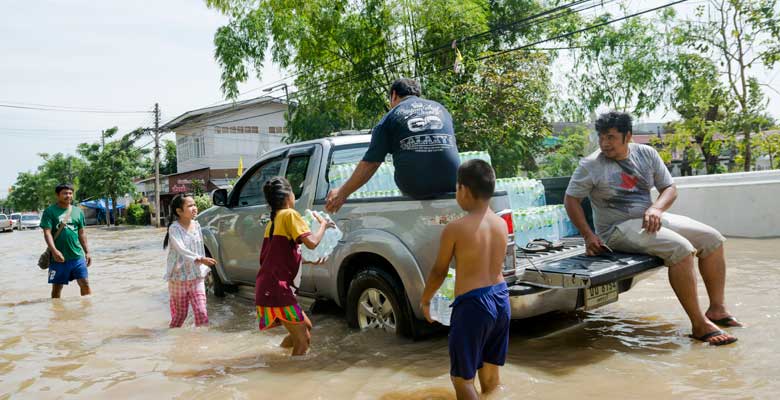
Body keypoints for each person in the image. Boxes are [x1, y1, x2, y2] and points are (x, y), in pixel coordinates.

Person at [564, 111, 741, 346]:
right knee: (682, 250)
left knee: (713, 239)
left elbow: (669, 187)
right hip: (616, 229)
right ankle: (699, 324)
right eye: (602, 137)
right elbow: (571, 199)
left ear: (628, 136)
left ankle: (717, 309)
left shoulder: (646, 153)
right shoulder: (591, 165)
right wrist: (588, 235)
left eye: (611, 137)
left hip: (651, 219)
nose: (605, 143)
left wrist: (656, 209)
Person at [420, 160, 510, 400]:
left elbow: (439, 271)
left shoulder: (456, 228)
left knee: (461, 379)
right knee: (491, 376)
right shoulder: (501, 223)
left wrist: (426, 300)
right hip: (501, 299)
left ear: (464, 190)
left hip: (473, 305)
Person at [325, 78, 460, 212]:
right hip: (455, 188)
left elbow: (371, 163)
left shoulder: (390, 118)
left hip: (416, 194)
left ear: (394, 95)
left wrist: (342, 193)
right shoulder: (442, 110)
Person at [257, 177, 335, 356]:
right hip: (278, 289)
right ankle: (292, 376)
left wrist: (309, 261)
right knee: (303, 339)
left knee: (305, 327)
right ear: (287, 196)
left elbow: (277, 257)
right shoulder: (290, 214)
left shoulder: (273, 220)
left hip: (268, 287)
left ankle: (278, 357)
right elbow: (313, 243)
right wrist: (323, 225)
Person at [163, 194, 216, 328]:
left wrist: (203, 265)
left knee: (202, 313)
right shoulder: (174, 228)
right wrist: (200, 259)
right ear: (179, 211)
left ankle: (203, 346)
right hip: (178, 278)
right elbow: (181, 248)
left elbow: (199, 248)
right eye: (190, 206)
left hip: (196, 276)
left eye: (194, 205)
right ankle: (173, 342)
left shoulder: (197, 225)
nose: (194, 208)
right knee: (180, 316)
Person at [40, 183, 92, 298]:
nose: (68, 196)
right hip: (58, 258)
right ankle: (57, 313)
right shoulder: (49, 212)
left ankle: (87, 311)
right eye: (64, 193)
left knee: (85, 284)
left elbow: (82, 233)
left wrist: (87, 252)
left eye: (70, 193)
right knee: (57, 288)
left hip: (77, 256)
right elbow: (47, 233)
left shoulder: (78, 212)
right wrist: (54, 251)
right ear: (57, 195)